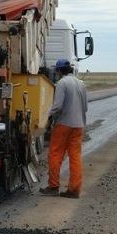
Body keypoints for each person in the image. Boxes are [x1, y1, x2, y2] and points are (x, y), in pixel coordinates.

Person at [40, 59, 88, 198]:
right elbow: (85, 107)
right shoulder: (81, 84)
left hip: (63, 124)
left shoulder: (62, 83)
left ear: (59, 71)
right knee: (75, 157)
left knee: (55, 154)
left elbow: (57, 106)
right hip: (78, 125)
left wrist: (47, 116)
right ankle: (74, 190)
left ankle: (53, 186)